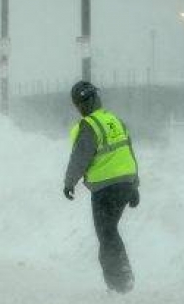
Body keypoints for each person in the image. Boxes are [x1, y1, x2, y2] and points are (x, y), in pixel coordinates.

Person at [63, 81, 140, 294]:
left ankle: (121, 283)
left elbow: (80, 157)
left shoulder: (89, 125)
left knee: (106, 234)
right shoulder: (114, 120)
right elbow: (128, 152)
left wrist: (69, 182)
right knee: (109, 232)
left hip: (106, 188)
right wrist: (134, 186)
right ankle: (118, 282)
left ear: (80, 104)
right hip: (125, 183)